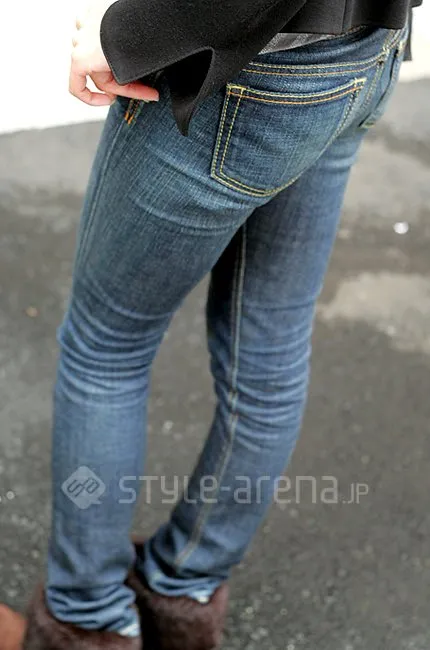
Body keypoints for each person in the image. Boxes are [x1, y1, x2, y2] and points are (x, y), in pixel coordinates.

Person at [0, 0, 420, 648]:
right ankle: (184, 586)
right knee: (268, 350)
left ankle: (87, 619)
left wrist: (126, 34)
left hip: (242, 65)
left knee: (105, 349)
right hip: (362, 49)